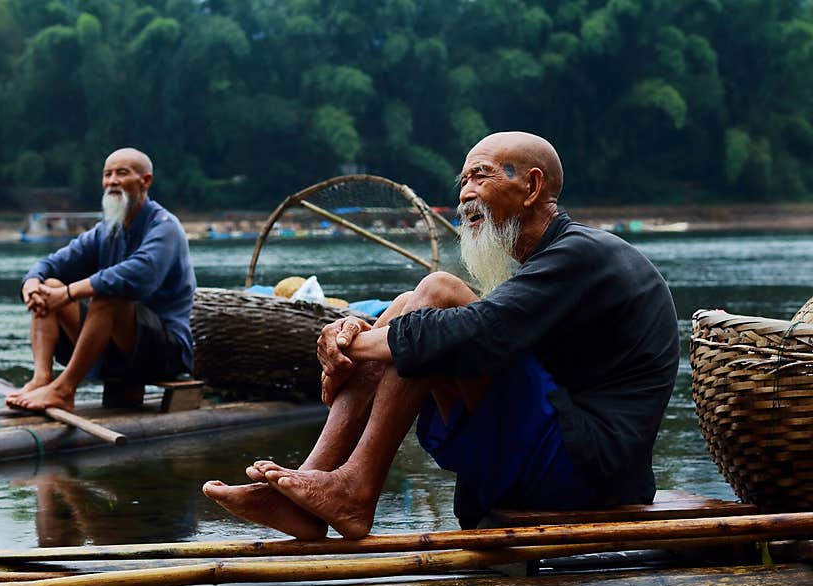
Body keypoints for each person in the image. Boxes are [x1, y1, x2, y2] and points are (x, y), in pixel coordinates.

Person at [202, 131, 680, 539]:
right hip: (555, 449)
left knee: (436, 291)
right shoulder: (544, 264)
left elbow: (483, 330)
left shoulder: (582, 254)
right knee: (411, 305)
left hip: (591, 468)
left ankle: (357, 489)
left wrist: (358, 345)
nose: (465, 194)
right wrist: (364, 329)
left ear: (532, 186)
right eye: (463, 182)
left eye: (481, 176)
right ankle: (312, 485)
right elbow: (479, 330)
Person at [7, 147, 197, 412]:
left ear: (145, 181)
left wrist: (70, 293)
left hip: (165, 354)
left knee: (109, 294)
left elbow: (137, 275)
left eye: (122, 173)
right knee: (48, 286)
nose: (112, 181)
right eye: (107, 174)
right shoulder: (106, 229)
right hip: (116, 351)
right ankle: (42, 379)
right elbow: (53, 263)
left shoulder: (165, 226)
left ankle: (64, 390)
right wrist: (31, 282)